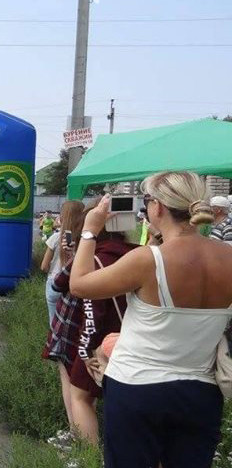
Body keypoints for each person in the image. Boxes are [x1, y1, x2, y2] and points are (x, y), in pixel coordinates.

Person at [70, 172, 232, 467]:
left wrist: (90, 231)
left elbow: (79, 284)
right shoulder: (228, 257)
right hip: (200, 391)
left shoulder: (148, 259)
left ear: (157, 207)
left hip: (137, 388)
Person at [48, 203, 134, 448]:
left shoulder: (94, 257)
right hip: (133, 338)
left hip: (99, 343)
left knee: (81, 397)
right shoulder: (137, 252)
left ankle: (87, 455)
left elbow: (89, 309)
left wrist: (84, 352)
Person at [41, 201, 85, 325]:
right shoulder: (85, 241)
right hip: (74, 284)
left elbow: (44, 266)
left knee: (54, 324)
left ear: (62, 216)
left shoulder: (55, 238)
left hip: (54, 282)